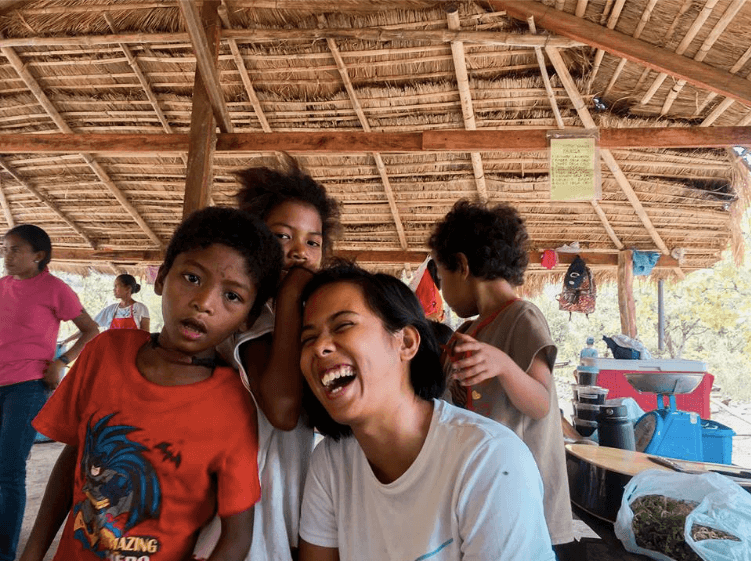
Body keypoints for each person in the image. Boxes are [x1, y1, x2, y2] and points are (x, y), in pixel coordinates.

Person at [20, 207, 282, 561]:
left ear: (247, 318)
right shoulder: (104, 353)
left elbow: (237, 537)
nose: (203, 302)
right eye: (192, 277)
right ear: (161, 278)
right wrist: (34, 550)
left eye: (231, 296)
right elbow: (74, 456)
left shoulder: (233, 406)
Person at [296, 263, 555, 561]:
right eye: (308, 339)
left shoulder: (490, 461)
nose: (319, 348)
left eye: (343, 325)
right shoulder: (330, 462)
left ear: (405, 342)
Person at [195, 160, 341, 561]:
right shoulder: (254, 319)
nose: (300, 251)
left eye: (313, 241)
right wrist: (292, 296)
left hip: (285, 490)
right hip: (251, 502)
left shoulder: (305, 322)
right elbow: (281, 411)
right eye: (282, 236)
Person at [428, 200, 575, 557]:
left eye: (441, 277)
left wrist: (506, 366)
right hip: (485, 493)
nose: (442, 289)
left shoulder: (521, 317)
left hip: (526, 502)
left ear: (461, 266)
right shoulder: (467, 331)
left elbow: (541, 403)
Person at [0, 224, 99, 561]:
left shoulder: (55, 290)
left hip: (27, 386)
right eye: (5, 248)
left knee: (9, 469)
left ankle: (5, 552)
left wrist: (62, 361)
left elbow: (90, 329)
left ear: (38, 256)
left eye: (15, 249)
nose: (7, 255)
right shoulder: (1, 287)